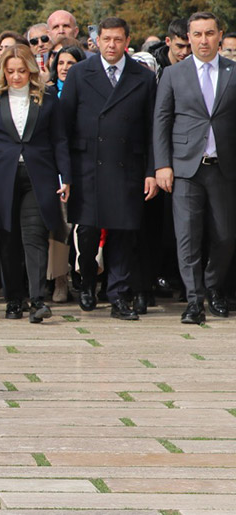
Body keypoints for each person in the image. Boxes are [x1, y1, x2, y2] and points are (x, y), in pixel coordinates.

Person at [62, 17, 159, 320]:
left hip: (126, 165)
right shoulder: (80, 73)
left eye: (118, 39)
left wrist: (151, 170)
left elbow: (151, 129)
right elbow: (64, 125)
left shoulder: (142, 78)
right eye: (107, 39)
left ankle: (119, 296)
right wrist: (65, 172)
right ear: (97, 41)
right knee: (88, 232)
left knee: (122, 234)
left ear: (127, 41)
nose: (112, 45)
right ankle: (88, 279)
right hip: (87, 165)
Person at [0, 45, 71, 322]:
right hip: (0, 178)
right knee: (8, 241)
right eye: (10, 71)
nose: (16, 76)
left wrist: (66, 177)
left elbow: (60, 140)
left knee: (35, 238)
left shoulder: (47, 98)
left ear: (30, 70)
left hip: (37, 176)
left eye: (21, 71)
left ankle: (37, 299)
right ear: (3, 72)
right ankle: (13, 299)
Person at [153, 12, 236, 325]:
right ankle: (192, 301)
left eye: (209, 33)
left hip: (224, 169)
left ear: (219, 35)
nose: (203, 40)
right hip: (187, 169)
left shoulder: (233, 72)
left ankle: (212, 286)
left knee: (226, 236)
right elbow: (161, 121)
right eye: (197, 34)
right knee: (186, 237)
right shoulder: (174, 74)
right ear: (188, 37)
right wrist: (162, 164)